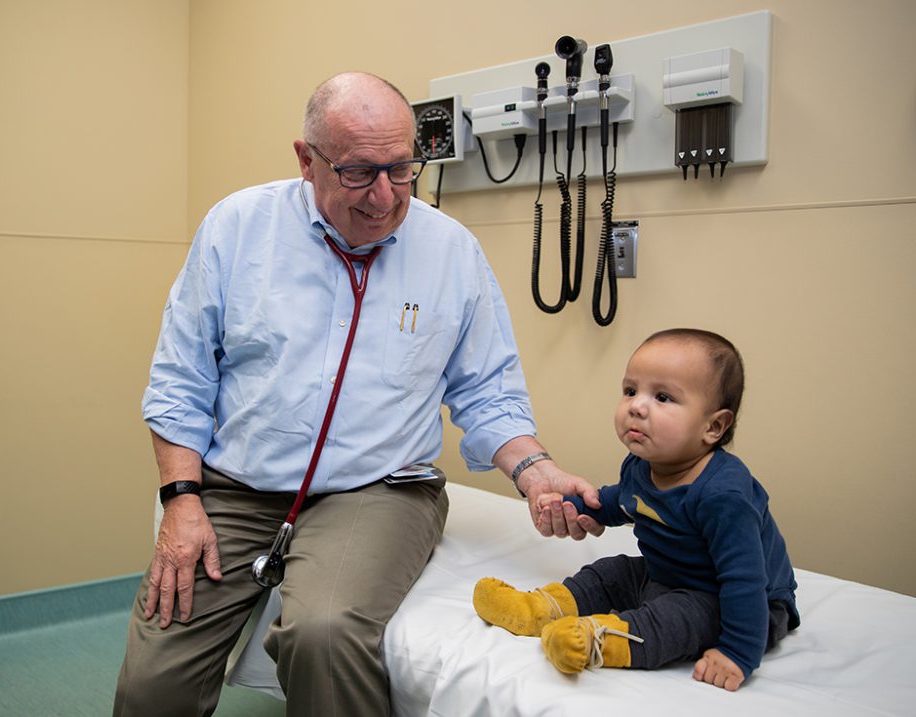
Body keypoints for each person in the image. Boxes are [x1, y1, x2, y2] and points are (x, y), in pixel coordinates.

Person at [113, 71, 602, 717]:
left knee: (325, 634)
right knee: (153, 682)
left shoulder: (450, 251)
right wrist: (181, 500)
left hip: (379, 489)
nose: (384, 196)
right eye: (358, 172)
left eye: (402, 169)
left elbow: (485, 391)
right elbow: (182, 379)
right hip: (234, 487)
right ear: (305, 160)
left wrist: (536, 472)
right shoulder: (237, 228)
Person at [473, 328, 800, 691]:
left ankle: (595, 641)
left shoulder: (724, 495)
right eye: (630, 390)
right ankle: (538, 610)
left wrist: (738, 654)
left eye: (662, 397)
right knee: (610, 572)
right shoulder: (641, 465)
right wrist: (580, 506)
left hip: (731, 600)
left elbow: (745, 581)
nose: (636, 406)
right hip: (667, 574)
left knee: (674, 619)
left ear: (714, 426)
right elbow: (624, 502)